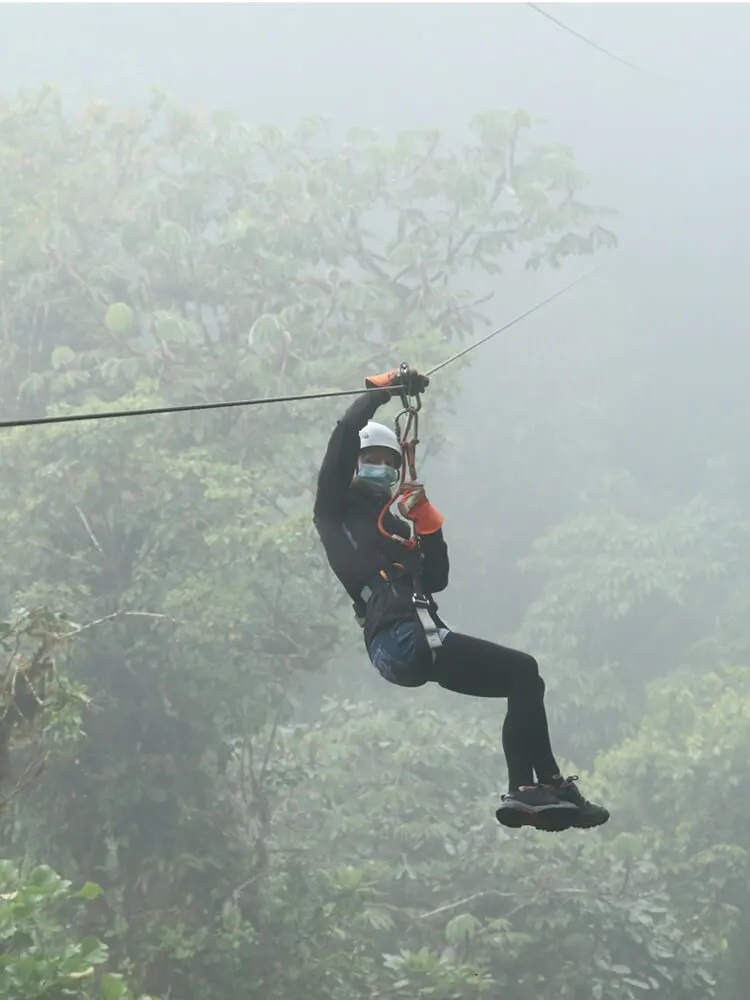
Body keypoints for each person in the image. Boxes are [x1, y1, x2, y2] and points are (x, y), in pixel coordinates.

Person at [313, 368, 609, 832]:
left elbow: (437, 580)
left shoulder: (393, 529)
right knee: (520, 670)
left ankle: (538, 786)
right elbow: (344, 435)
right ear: (353, 464)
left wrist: (430, 526)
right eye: (372, 458)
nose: (384, 469)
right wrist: (380, 394)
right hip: (401, 639)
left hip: (417, 643)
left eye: (390, 463)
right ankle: (530, 787)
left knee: (523, 678)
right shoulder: (333, 512)